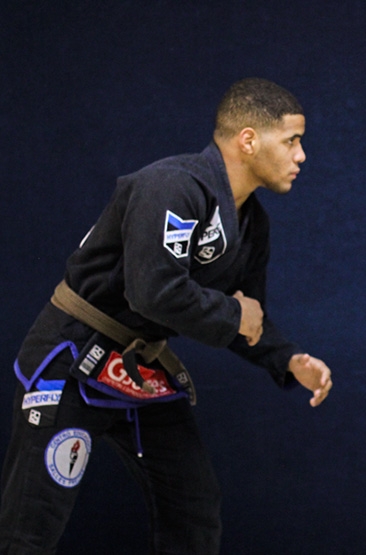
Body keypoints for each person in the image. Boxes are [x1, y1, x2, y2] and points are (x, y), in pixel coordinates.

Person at [0, 77, 332, 553]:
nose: (301, 156)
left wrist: (287, 358)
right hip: (72, 356)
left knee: (193, 507)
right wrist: (236, 315)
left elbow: (244, 316)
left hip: (140, 368)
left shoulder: (252, 222)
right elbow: (153, 293)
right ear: (249, 140)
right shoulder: (171, 186)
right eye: (293, 141)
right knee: (30, 523)